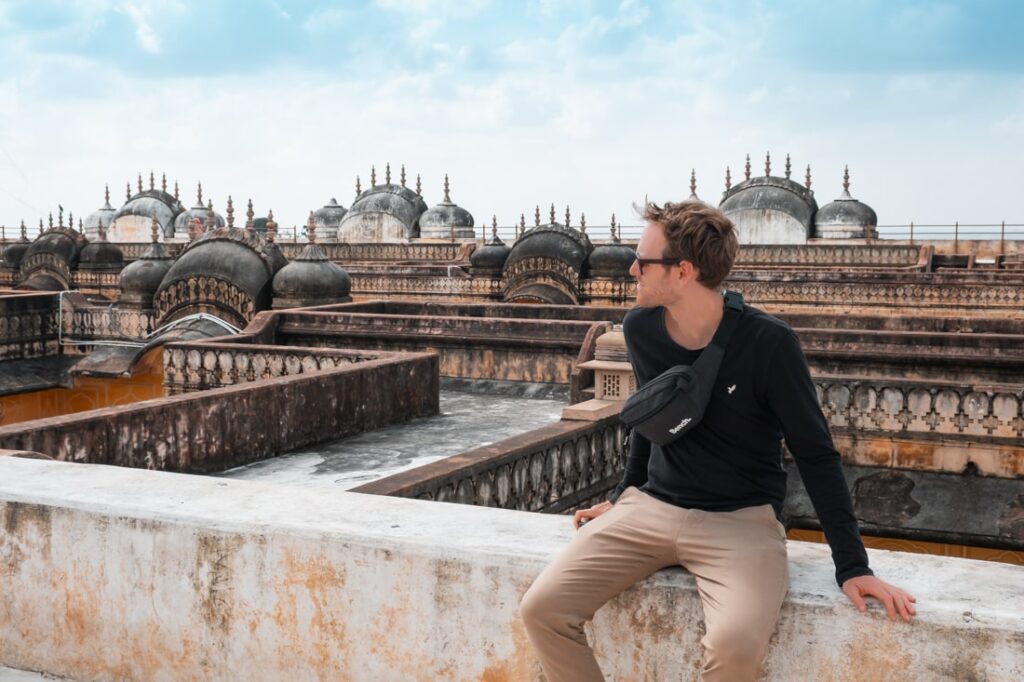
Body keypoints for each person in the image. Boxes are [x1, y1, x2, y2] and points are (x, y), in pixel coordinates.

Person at [519, 201, 916, 681]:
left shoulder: (769, 343)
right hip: (651, 510)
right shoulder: (641, 328)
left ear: (683, 271)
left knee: (734, 649)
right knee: (542, 609)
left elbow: (815, 455)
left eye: (643, 261)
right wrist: (624, 495)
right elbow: (654, 418)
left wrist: (852, 566)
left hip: (741, 523)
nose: (631, 269)